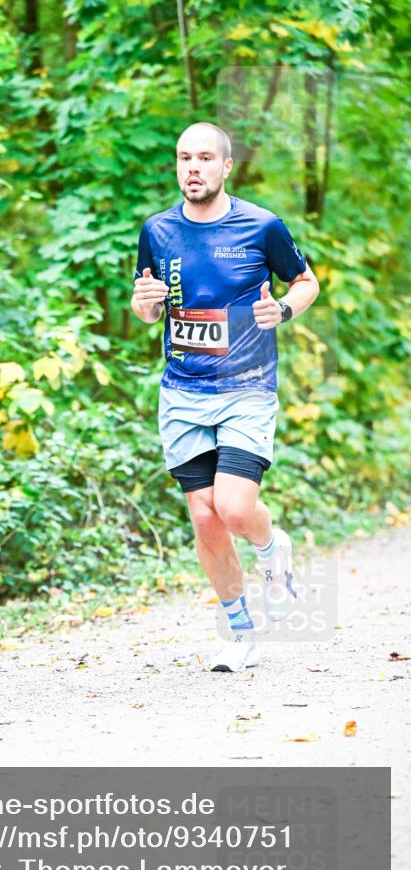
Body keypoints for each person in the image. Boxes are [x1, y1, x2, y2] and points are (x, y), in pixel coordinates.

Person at [132, 122, 319, 672]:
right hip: (183, 392)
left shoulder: (262, 226)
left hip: (246, 388)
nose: (193, 167)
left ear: (225, 166)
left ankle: (272, 551)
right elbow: (149, 307)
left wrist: (282, 310)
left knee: (234, 508)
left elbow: (305, 282)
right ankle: (239, 634)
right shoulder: (157, 231)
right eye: (184, 157)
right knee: (203, 516)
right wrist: (147, 305)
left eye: (205, 158)